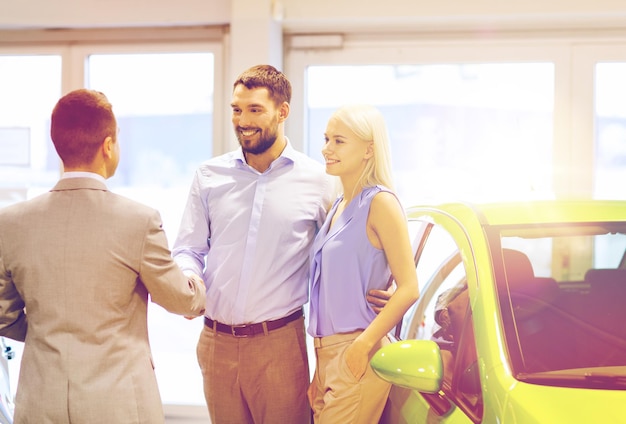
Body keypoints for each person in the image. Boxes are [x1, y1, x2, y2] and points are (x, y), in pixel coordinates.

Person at [172, 65, 391, 424]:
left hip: (279, 344)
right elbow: (188, 249)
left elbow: (350, 243)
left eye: (255, 110)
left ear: (282, 112)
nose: (243, 120)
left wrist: (384, 282)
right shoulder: (209, 176)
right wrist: (188, 280)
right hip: (216, 343)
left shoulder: (320, 181)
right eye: (236, 109)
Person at [0, 88, 207, 424]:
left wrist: (48, 331)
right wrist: (196, 278)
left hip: (40, 404)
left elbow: (4, 315)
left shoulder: (11, 222)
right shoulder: (138, 221)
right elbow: (181, 300)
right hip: (119, 405)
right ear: (108, 146)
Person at [307, 104, 420, 423]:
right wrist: (322, 365)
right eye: (326, 138)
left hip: (357, 349)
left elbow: (409, 287)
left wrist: (361, 346)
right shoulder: (339, 205)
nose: (326, 148)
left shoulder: (381, 203)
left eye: (338, 141)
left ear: (369, 150)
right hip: (326, 354)